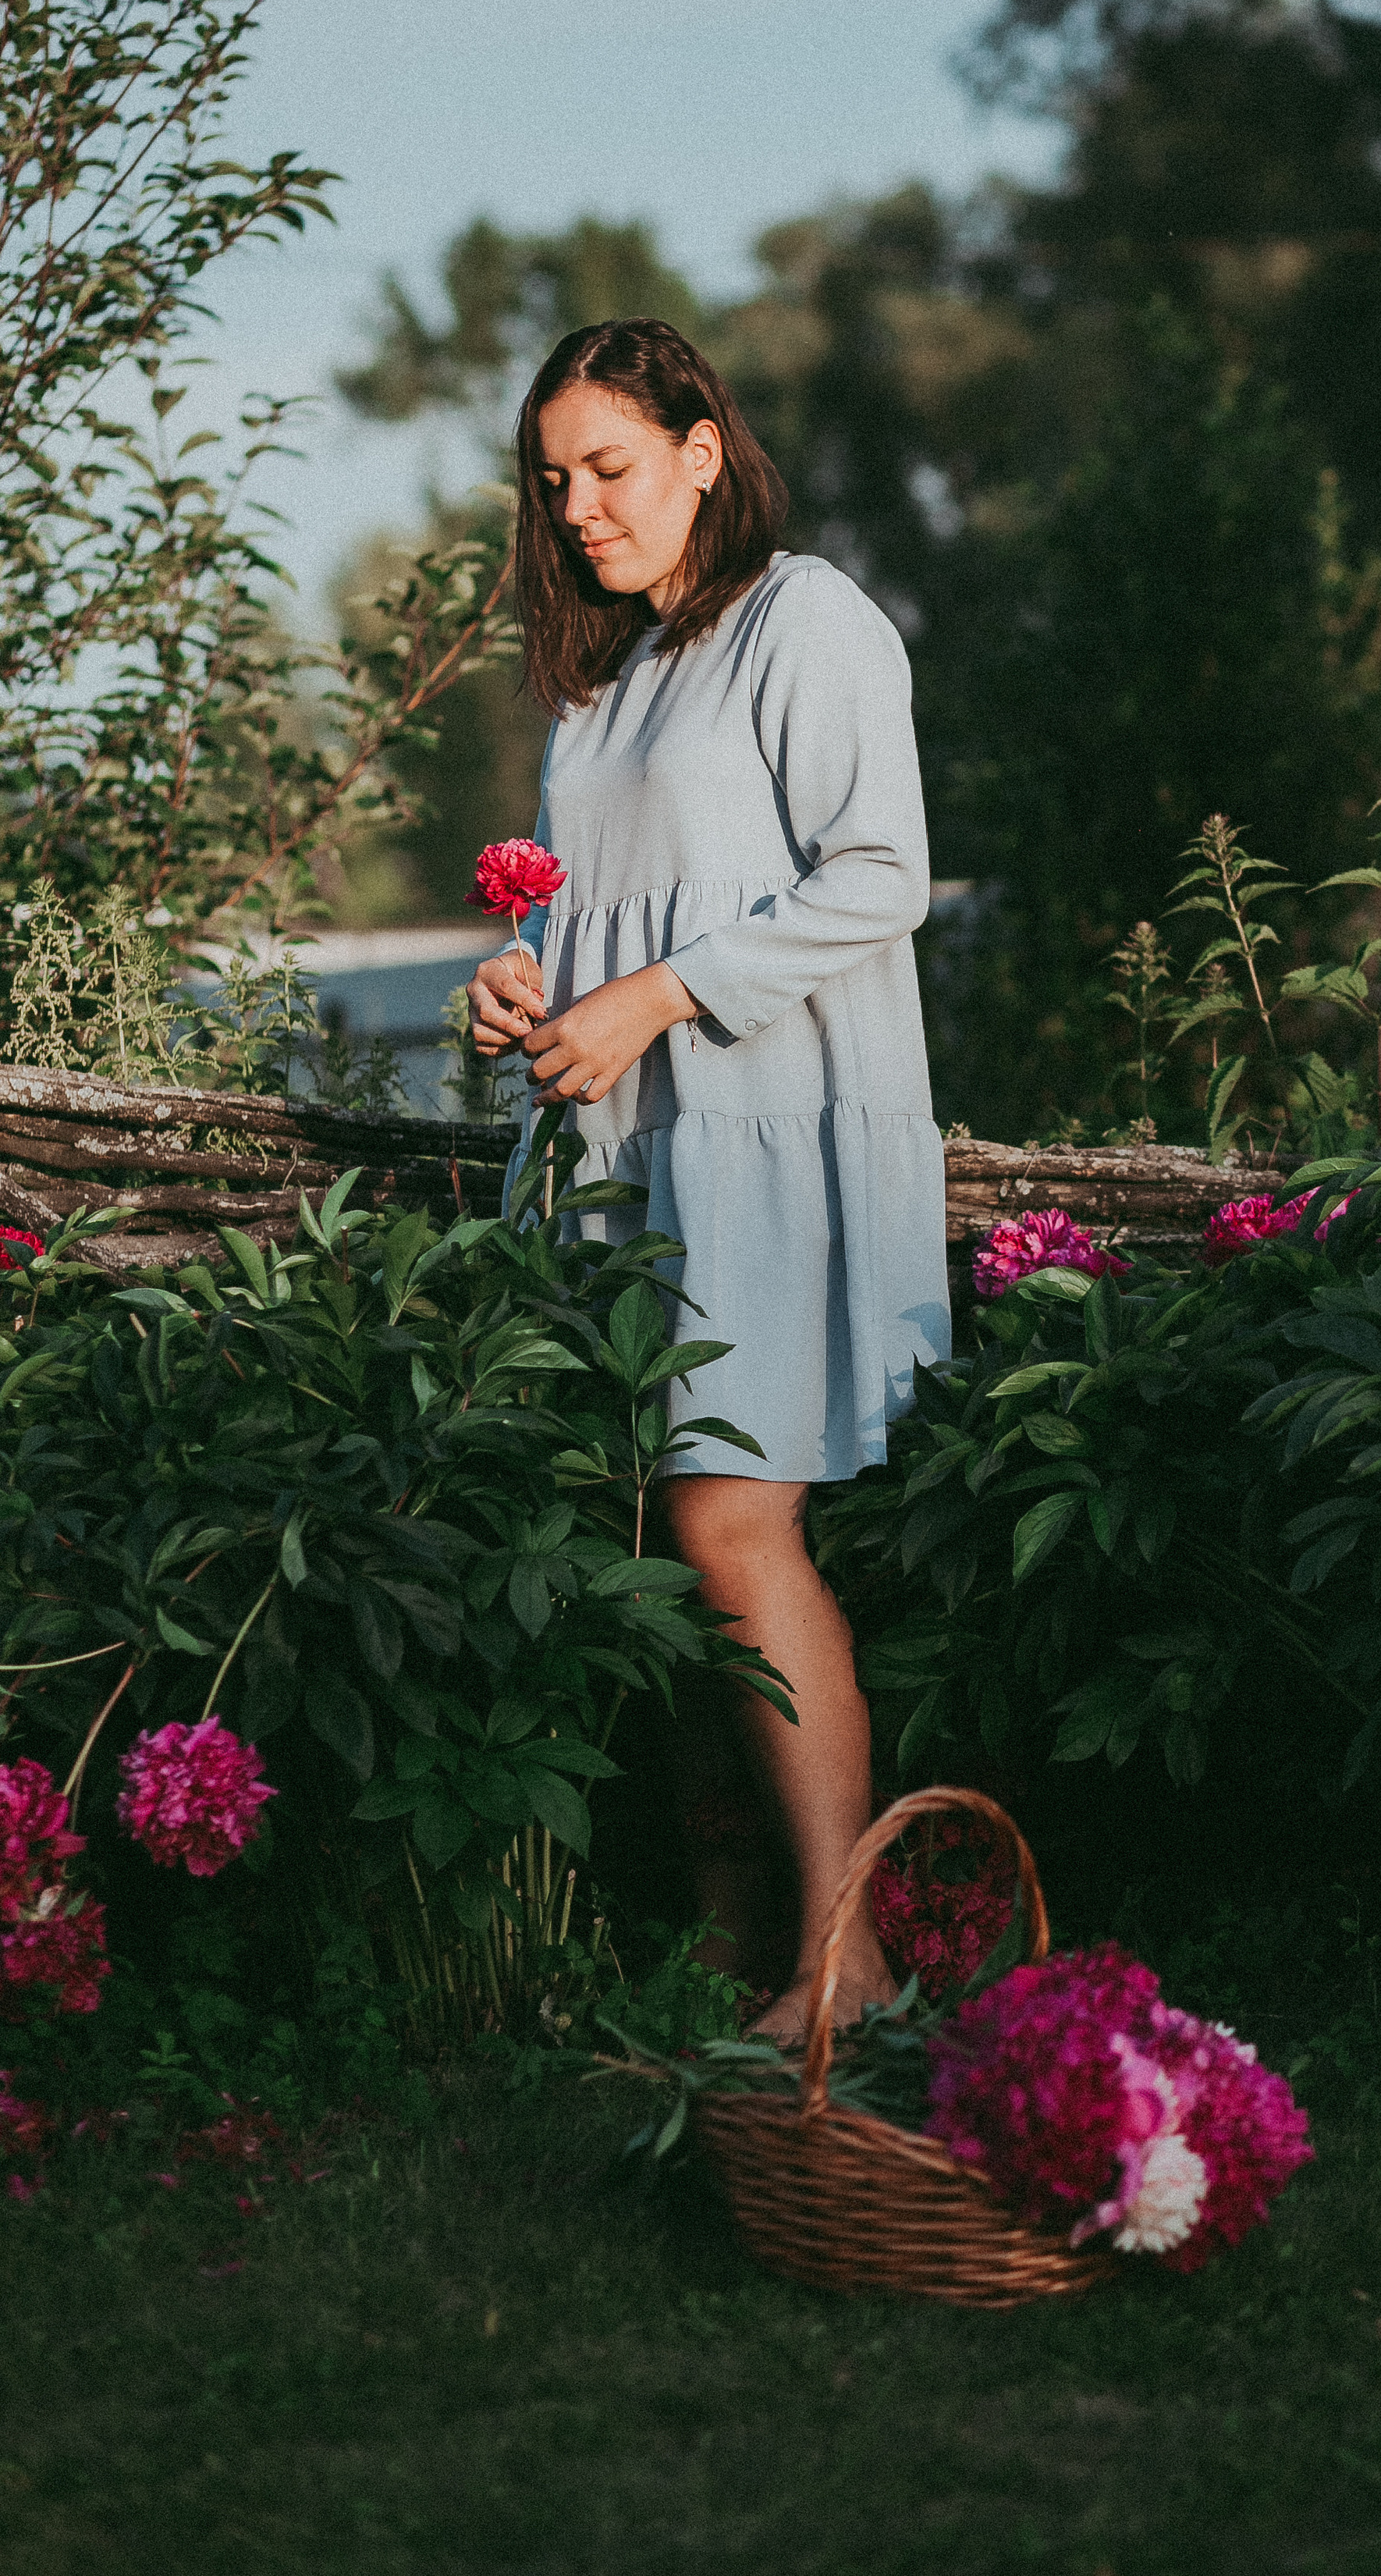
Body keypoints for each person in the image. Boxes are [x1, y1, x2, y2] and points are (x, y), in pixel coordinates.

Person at [466, 317, 950, 2043]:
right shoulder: (608, 684)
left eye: (608, 468)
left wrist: (658, 995)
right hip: (624, 1156)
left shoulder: (798, 621)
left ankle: (849, 1960)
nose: (580, 509)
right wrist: (515, 979)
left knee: (731, 1525)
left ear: (698, 448)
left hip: (756, 1133)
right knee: (668, 1553)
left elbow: (881, 873)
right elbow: (591, 914)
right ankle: (745, 1939)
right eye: (552, 484)